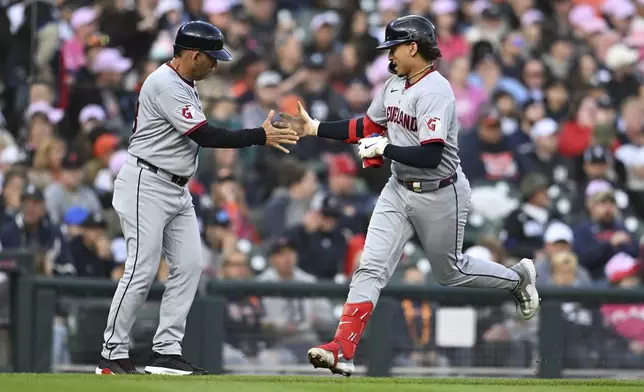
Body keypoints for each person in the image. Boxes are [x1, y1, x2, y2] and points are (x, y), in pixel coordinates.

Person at [275, 15, 540, 376]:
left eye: (394, 48)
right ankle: (343, 348)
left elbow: (431, 154)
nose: (389, 56)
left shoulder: (436, 91)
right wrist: (315, 128)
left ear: (413, 47)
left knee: (450, 272)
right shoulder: (394, 84)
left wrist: (384, 149)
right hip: (399, 188)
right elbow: (366, 127)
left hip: (440, 191)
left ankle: (517, 279)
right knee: (369, 265)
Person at [96, 21, 299, 376]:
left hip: (175, 187)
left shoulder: (184, 83)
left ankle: (165, 351)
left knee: (190, 266)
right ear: (193, 55)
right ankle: (111, 353)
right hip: (148, 181)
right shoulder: (164, 83)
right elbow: (206, 135)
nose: (216, 65)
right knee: (142, 269)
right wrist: (258, 135)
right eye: (212, 58)